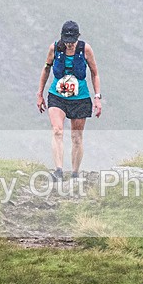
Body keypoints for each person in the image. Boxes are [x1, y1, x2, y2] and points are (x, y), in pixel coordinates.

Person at [36, 20, 102, 180]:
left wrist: (97, 97)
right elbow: (46, 69)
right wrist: (40, 93)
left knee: (76, 137)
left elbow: (94, 73)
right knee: (57, 130)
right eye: (67, 41)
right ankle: (58, 170)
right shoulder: (54, 49)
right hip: (57, 96)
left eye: (72, 41)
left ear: (77, 38)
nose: (70, 45)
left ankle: (74, 172)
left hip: (80, 98)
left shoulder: (85, 49)